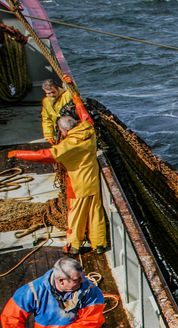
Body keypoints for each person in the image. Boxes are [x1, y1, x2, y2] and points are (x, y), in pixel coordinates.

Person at [9, 75, 107, 255]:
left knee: (76, 215)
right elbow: (82, 110)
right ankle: (99, 243)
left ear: (65, 130)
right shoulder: (88, 129)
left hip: (77, 185)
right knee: (96, 212)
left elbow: (46, 155)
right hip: (93, 180)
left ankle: (74, 245)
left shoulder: (68, 146)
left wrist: (18, 154)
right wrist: (72, 88)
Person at [41, 78, 75, 145]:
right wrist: (48, 136)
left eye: (53, 92)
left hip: (72, 129)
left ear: (58, 89)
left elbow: (75, 93)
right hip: (59, 131)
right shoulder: (46, 101)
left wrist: (71, 84)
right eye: (48, 93)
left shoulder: (67, 95)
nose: (51, 95)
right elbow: (46, 119)